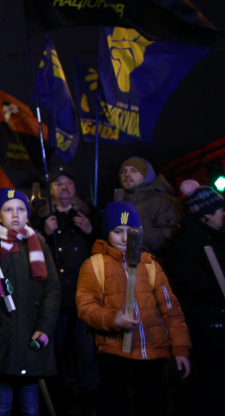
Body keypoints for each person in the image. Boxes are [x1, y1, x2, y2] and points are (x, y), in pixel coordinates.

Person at [76, 201, 191, 416]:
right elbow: (86, 306)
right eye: (117, 231)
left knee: (153, 404)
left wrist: (180, 348)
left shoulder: (151, 265)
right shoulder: (94, 264)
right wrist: (112, 319)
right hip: (115, 351)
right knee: (113, 404)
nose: (125, 237)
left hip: (153, 352)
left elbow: (170, 309)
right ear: (107, 232)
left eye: (131, 231)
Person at [0, 188, 60, 416]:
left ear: (27, 215)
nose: (15, 214)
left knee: (30, 403)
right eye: (8, 209)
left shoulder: (39, 246)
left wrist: (45, 328)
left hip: (32, 332)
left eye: (21, 209)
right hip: (1, 336)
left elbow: (51, 290)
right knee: (1, 403)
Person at [31, 164, 98, 414]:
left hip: (83, 295)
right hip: (55, 298)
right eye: (59, 184)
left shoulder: (89, 215)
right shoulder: (43, 219)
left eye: (68, 183)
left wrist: (91, 231)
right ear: (51, 190)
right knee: (55, 353)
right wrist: (45, 234)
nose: (64, 187)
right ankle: (57, 404)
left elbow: (101, 247)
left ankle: (89, 403)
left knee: (85, 354)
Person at [165, 187, 225, 414]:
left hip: (216, 327)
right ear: (206, 215)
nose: (224, 215)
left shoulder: (214, 239)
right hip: (205, 331)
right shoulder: (186, 244)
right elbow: (205, 288)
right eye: (221, 210)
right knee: (210, 391)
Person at [118, 156, 183, 260]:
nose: (127, 175)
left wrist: (133, 232)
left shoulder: (161, 200)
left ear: (146, 175)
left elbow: (168, 241)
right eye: (123, 171)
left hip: (152, 267)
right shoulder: (121, 204)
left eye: (134, 170)